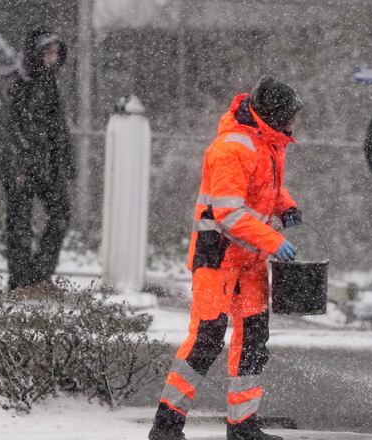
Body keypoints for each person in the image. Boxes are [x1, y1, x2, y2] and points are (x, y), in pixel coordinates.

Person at [148, 76, 303, 440]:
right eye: (291, 116)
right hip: (217, 255)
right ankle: (166, 426)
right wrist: (272, 240)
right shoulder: (230, 148)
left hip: (249, 258)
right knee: (207, 337)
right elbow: (228, 214)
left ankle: (242, 424)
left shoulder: (267, 143)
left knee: (252, 338)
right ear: (275, 116)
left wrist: (287, 206)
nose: (296, 123)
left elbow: (266, 189)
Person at [0, 26, 75, 295]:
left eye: (56, 53)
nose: (53, 58)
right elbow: (8, 130)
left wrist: (66, 160)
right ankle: (21, 281)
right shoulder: (15, 85)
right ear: (36, 54)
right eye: (48, 52)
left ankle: (38, 275)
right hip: (21, 168)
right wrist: (18, 166)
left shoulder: (49, 84)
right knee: (19, 223)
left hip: (46, 166)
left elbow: (57, 128)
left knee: (61, 214)